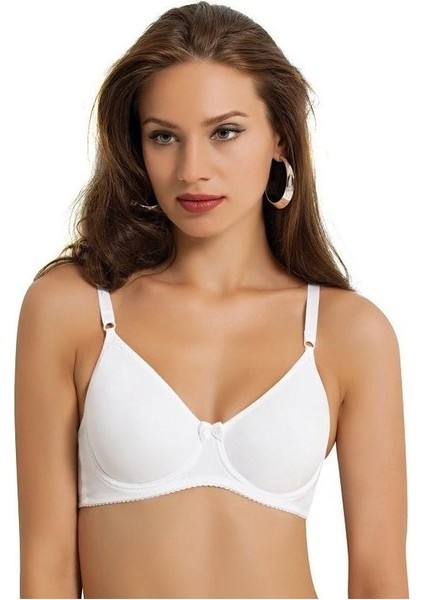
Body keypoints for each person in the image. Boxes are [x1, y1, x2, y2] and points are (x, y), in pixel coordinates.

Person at [14, 2, 409, 598]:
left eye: (225, 132)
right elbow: (45, 569)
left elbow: (380, 579)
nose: (192, 169)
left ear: (280, 138)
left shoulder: (349, 332)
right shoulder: (72, 308)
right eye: (163, 136)